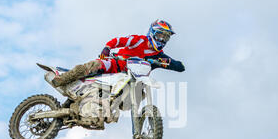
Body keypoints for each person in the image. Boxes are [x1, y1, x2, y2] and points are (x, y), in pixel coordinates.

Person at [51, 20, 185, 87]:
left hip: (132, 79)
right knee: (94, 64)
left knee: (141, 92)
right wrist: (107, 48)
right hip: (117, 64)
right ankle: (62, 79)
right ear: (152, 33)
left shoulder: (159, 56)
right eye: (160, 35)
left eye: (165, 37)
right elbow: (119, 40)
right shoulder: (139, 40)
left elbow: (180, 67)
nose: (162, 39)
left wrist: (170, 64)